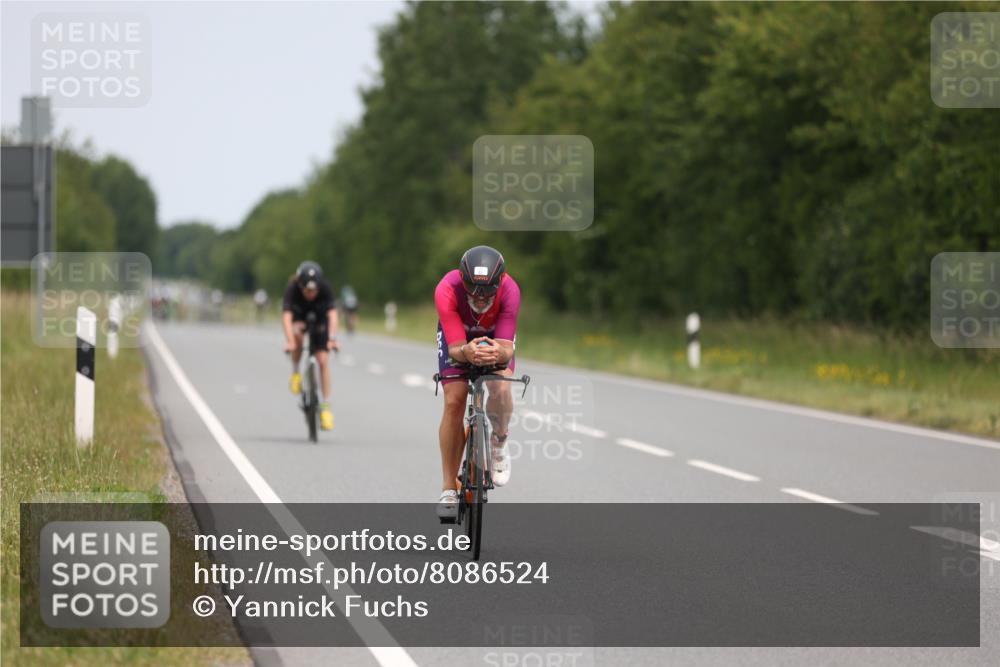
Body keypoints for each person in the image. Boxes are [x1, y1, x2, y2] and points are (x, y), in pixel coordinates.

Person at [434, 245, 520, 519]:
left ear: (500, 283)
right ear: (463, 280)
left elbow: (507, 347)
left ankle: (499, 441)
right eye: (473, 292)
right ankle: (449, 487)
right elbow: (457, 347)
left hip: (497, 336)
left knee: (501, 387)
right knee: (455, 400)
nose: (481, 300)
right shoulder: (447, 288)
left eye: (487, 294)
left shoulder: (510, 290)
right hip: (458, 335)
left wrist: (498, 352)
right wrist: (466, 352)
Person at [282, 261, 339, 430]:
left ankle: (326, 408)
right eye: (307, 290)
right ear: (300, 285)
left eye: (314, 290)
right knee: (297, 335)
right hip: (299, 319)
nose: (311, 294)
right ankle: (295, 373)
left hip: (320, 321)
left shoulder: (326, 288)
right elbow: (286, 317)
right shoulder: (292, 289)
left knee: (323, 361)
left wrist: (333, 338)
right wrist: (290, 341)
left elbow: (333, 316)